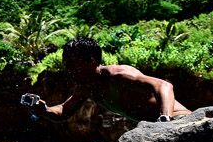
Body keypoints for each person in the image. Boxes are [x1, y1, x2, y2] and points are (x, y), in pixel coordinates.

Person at [25, 36, 191, 124]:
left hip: (180, 120)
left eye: (72, 64)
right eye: (65, 65)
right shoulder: (85, 87)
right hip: (159, 126)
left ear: (91, 62)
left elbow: (164, 85)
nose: (68, 70)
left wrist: (165, 121)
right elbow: (64, 111)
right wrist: (44, 110)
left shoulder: (117, 76)